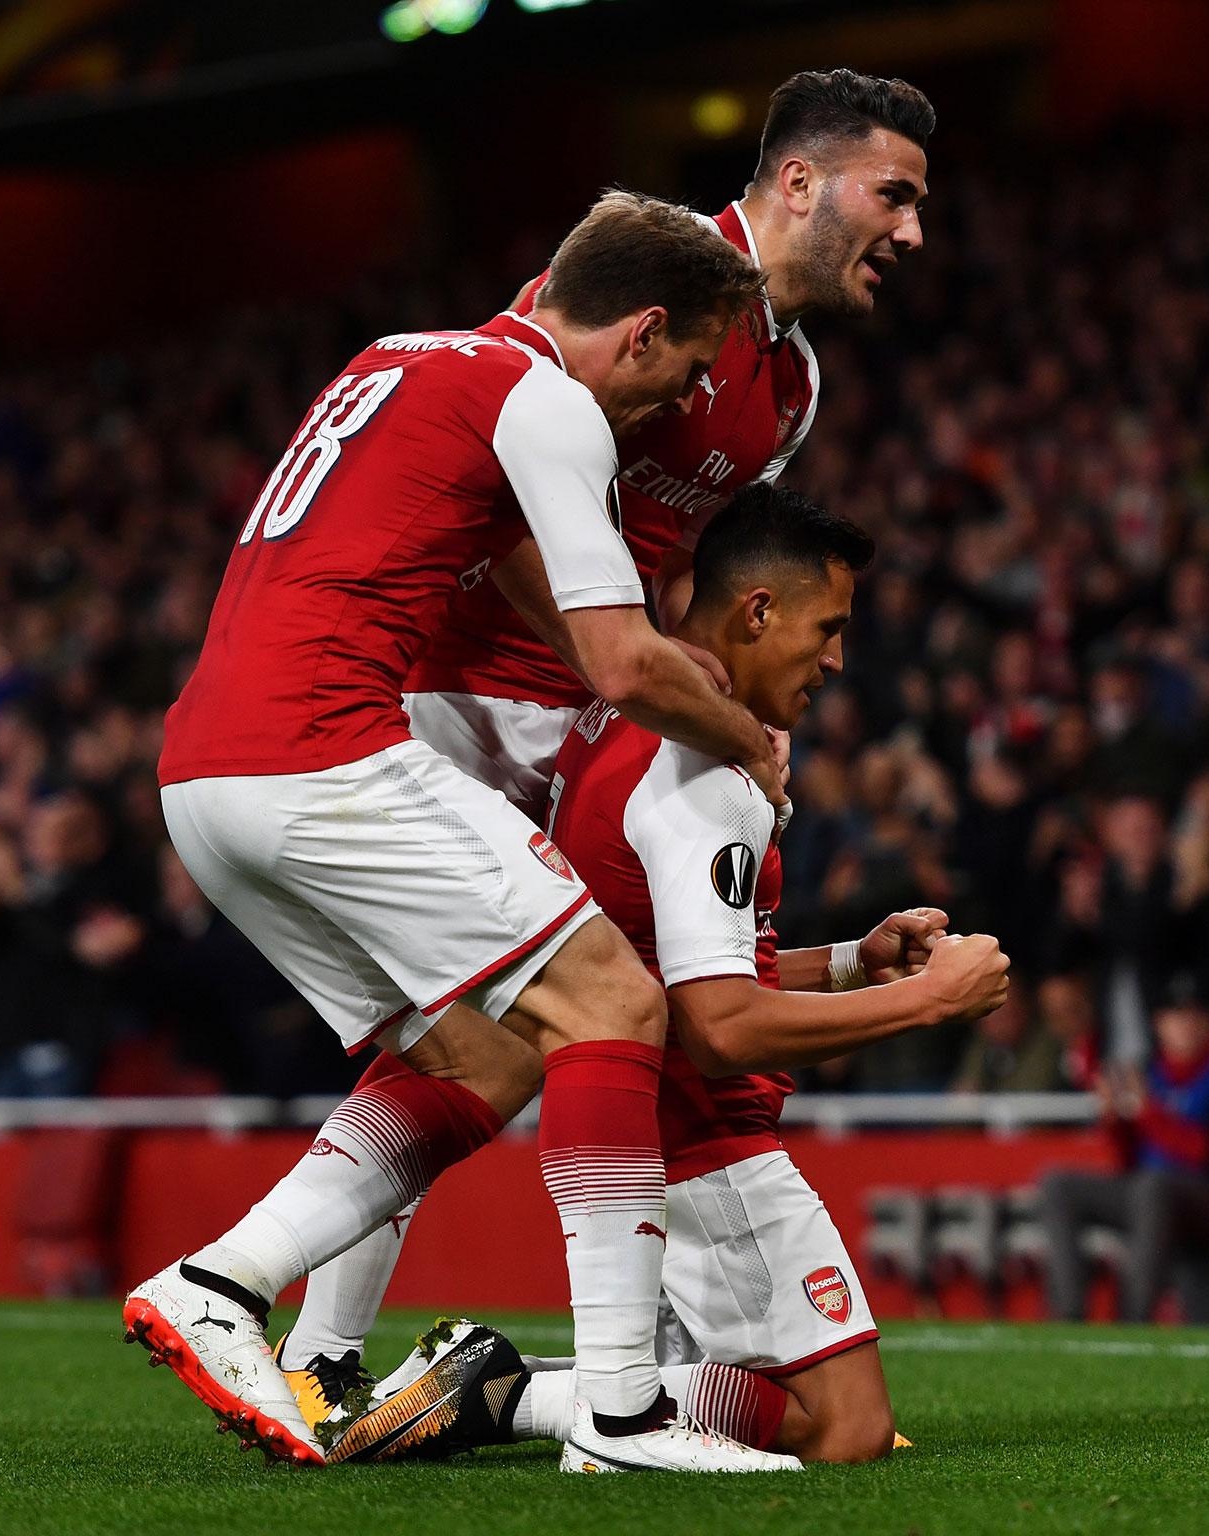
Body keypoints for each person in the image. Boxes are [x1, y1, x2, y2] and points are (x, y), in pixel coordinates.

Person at [278, 67, 936, 1434]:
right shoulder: (653, 277)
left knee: (623, 997)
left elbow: (685, 568)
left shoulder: (790, 386)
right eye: (894, 195)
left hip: (606, 707)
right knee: (467, 1033)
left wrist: (683, 693)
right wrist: (625, 666)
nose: (911, 230)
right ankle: (319, 1348)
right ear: (800, 181)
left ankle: (629, 1370)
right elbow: (495, 480)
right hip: (471, 694)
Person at [127, 191, 796, 1474]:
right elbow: (617, 659)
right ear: (641, 329)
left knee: (480, 1058)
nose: (678, 402)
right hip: (322, 749)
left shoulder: (397, 356)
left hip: (201, 773)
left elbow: (509, 577)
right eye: (684, 370)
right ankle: (621, 1412)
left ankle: (222, 1286)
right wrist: (746, 742)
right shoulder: (547, 400)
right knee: (613, 999)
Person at [340, 485, 1007, 1465]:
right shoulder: (706, 767)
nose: (835, 659)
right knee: (845, 1426)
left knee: (786, 1405)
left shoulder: (616, 722)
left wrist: (849, 964)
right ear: (757, 612)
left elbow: (672, 955)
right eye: (827, 628)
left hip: (653, 1119)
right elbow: (719, 1026)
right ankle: (502, 1395)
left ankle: (522, 1391)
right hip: (703, 1134)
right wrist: (927, 1000)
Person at [1038, 973, 1209, 1325]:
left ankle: (1132, 1320)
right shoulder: (1155, 1075)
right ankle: (1068, 1317)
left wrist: (1148, 1115)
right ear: (1158, 1024)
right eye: (1175, 1016)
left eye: (1193, 1015)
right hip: (1157, 1200)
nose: (1184, 1026)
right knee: (1058, 1184)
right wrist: (1115, 1121)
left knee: (1153, 1187)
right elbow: (1129, 1161)